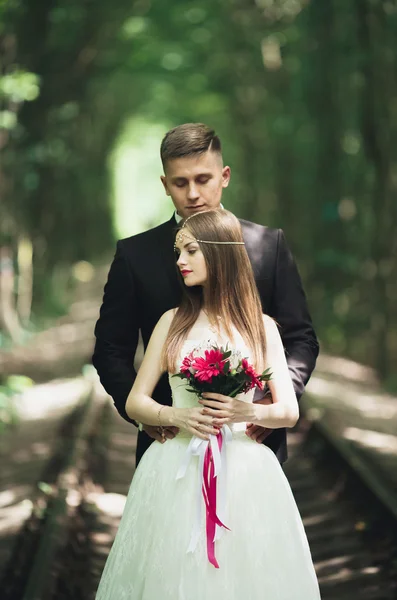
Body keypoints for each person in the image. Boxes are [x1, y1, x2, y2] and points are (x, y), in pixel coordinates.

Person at [95, 209, 321, 599]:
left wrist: (250, 411)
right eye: (178, 251)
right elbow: (136, 402)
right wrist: (176, 416)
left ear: (219, 255)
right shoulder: (171, 322)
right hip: (174, 467)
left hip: (246, 471)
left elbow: (289, 411)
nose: (180, 261)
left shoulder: (261, 327)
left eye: (190, 251)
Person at [93, 123, 319, 465]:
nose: (193, 194)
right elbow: (110, 348)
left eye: (203, 179)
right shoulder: (134, 255)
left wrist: (267, 406)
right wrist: (146, 415)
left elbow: (300, 337)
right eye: (180, 183)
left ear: (224, 176)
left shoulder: (267, 246)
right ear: (165, 185)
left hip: (252, 442)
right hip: (168, 445)